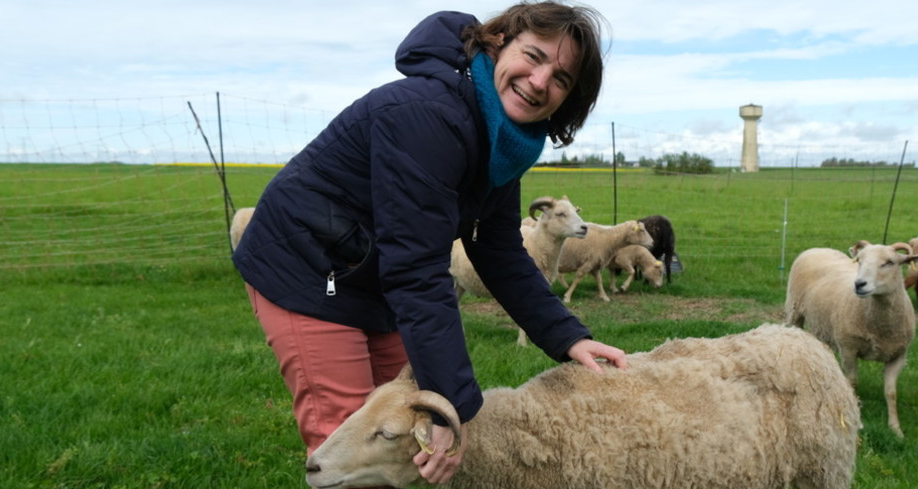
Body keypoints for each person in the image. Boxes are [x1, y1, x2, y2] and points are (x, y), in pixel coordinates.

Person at [231, 1, 628, 485]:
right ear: (498, 41)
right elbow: (417, 269)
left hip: (372, 273)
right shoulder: (428, 115)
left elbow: (498, 248)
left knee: (407, 427)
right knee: (351, 441)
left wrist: (570, 337)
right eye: (534, 55)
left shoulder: (499, 138)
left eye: (562, 79)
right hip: (312, 271)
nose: (541, 81)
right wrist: (453, 410)